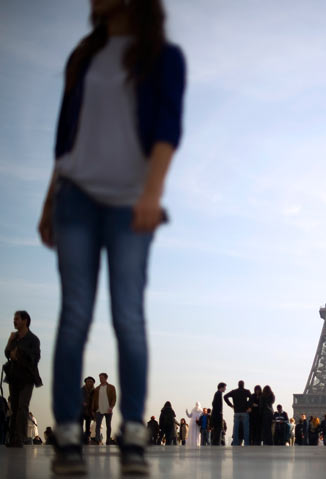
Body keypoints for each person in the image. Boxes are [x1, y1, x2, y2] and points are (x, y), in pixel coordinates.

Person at [40, 0, 186, 473]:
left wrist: (152, 192)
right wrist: (49, 200)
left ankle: (135, 433)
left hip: (130, 199)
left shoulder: (163, 56)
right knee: (75, 314)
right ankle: (66, 432)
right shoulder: (83, 55)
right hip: (75, 196)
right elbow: (65, 138)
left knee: (128, 314)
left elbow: (167, 130)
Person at [4, 310, 43, 448]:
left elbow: (36, 357)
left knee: (22, 406)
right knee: (14, 407)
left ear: (25, 321)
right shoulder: (14, 338)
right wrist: (10, 343)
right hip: (14, 376)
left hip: (27, 378)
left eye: (17, 319)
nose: (14, 321)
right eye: (14, 319)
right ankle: (13, 437)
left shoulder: (33, 339)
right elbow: (7, 353)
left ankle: (20, 437)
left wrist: (19, 354)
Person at [224, 380, 251, 446]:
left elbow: (225, 396)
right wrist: (248, 406)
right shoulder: (247, 391)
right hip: (244, 412)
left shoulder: (234, 391)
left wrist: (231, 405)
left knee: (235, 429)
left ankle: (235, 444)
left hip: (237, 412)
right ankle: (246, 444)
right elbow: (251, 398)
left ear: (238, 385)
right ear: (243, 385)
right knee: (246, 429)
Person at [91, 373, 116, 445]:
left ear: (106, 378)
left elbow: (114, 398)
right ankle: (97, 439)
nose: (100, 379)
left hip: (108, 409)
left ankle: (108, 440)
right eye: (99, 378)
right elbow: (94, 400)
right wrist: (93, 409)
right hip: (99, 409)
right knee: (97, 425)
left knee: (108, 425)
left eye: (102, 377)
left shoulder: (111, 387)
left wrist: (111, 407)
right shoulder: (97, 389)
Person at [80, 377, 95, 444]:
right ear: (85, 382)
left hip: (89, 410)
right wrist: (82, 402)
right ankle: (80, 437)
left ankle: (86, 438)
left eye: (91, 381)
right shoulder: (81, 390)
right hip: (81, 410)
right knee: (80, 424)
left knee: (88, 425)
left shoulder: (94, 390)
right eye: (88, 381)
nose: (89, 382)